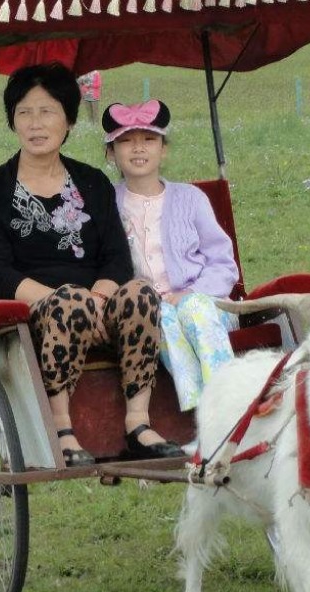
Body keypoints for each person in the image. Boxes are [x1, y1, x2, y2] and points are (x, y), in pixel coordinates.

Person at [0, 63, 186, 463]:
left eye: (47, 111)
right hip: (27, 308)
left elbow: (117, 257)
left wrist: (99, 298)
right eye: (24, 113)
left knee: (139, 295)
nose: (36, 123)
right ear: (12, 121)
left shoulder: (92, 183)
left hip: (96, 303)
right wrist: (64, 300)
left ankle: (139, 423)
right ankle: (62, 429)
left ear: (68, 120)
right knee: (69, 303)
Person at [102, 99, 239, 412]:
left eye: (149, 140)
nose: (138, 149)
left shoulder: (191, 199)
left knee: (194, 310)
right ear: (111, 153)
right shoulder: (108, 202)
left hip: (203, 300)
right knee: (160, 318)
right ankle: (200, 409)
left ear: (163, 149)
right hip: (146, 308)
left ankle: (230, 401)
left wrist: (191, 292)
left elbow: (222, 262)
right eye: (126, 142)